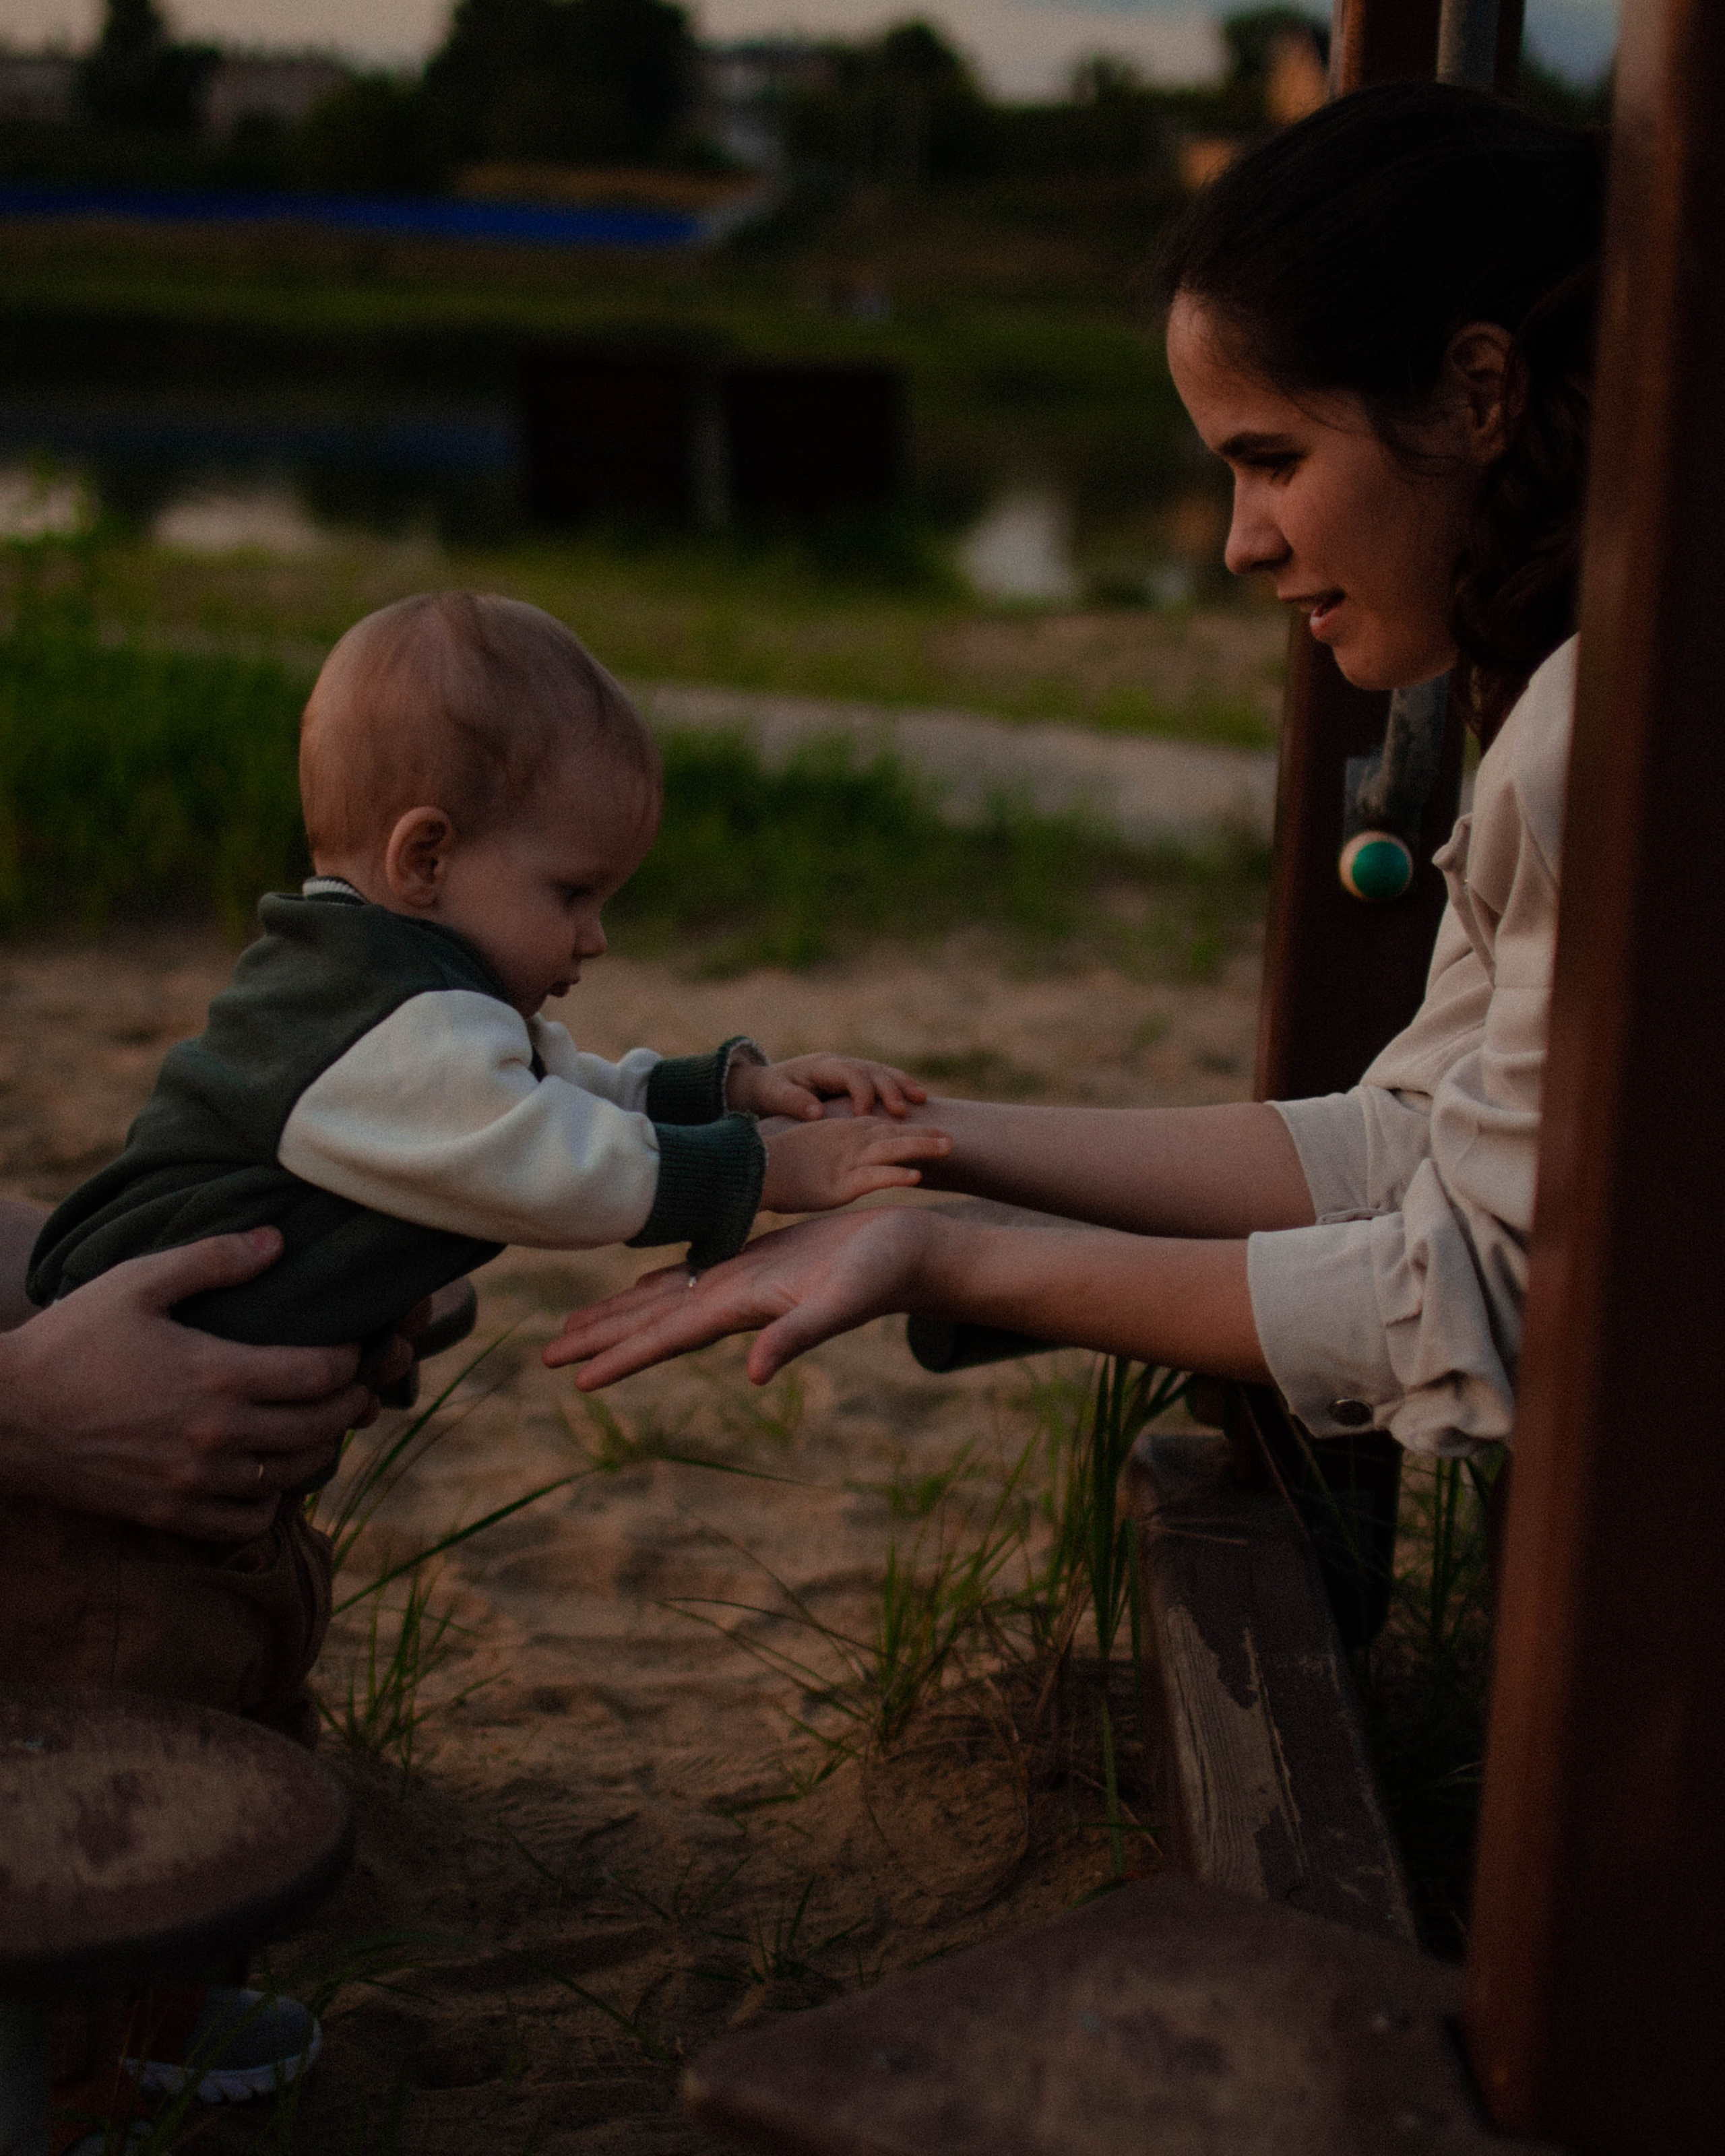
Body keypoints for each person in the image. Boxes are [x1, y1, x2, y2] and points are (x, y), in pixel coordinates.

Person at [544, 81, 1603, 1467]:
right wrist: (925, 1149)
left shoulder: (1592, 734)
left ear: (1476, 394)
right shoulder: (1576, 694)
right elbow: (1406, 1147)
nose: (1238, 543)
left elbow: (1480, 1296)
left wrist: (949, 1260)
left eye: (1270, 460)